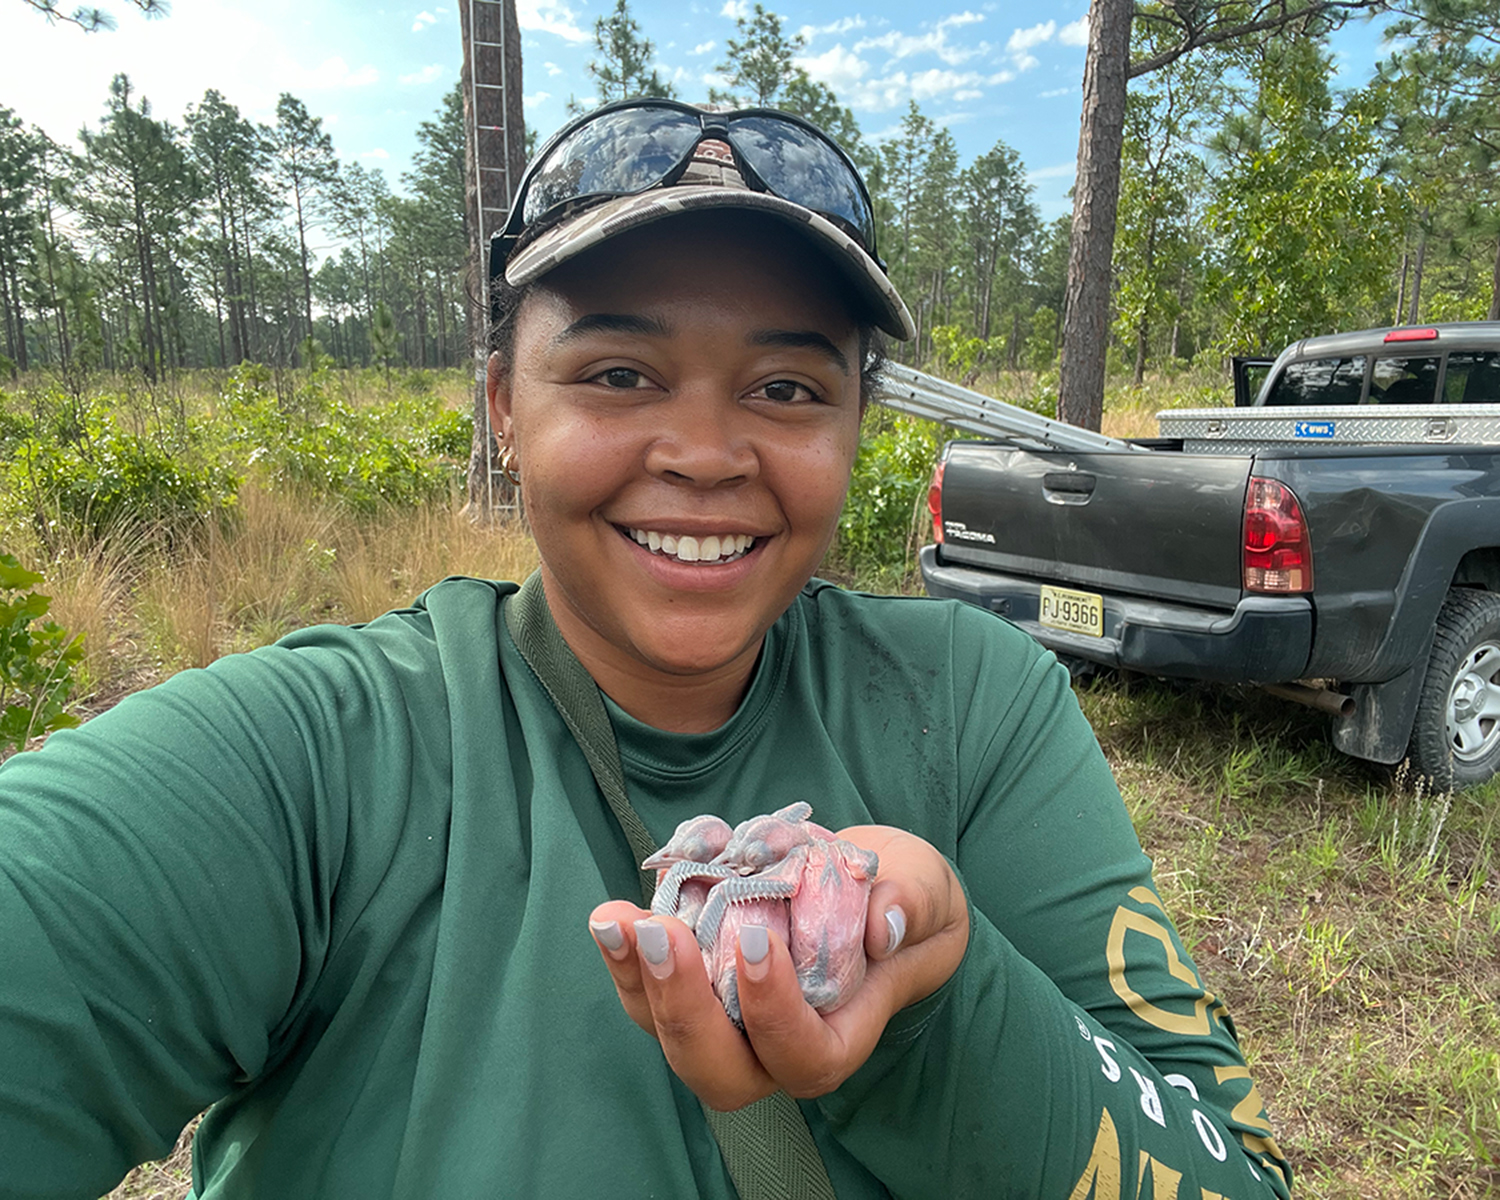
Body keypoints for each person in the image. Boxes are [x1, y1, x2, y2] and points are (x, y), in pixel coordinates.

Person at [0, 100, 1292, 1199]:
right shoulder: (318, 759)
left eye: (787, 389)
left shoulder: (974, 706)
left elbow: (1230, 1172)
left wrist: (938, 992)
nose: (706, 454)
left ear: (854, 427)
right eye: (619, 374)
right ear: (505, 405)